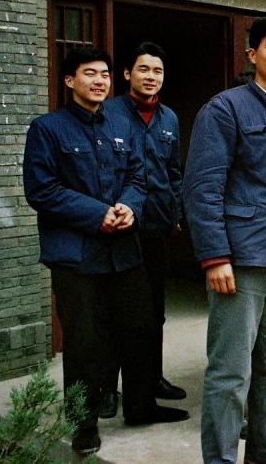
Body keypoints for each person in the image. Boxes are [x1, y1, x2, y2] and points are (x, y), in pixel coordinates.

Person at [23, 47, 188, 456]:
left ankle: (140, 405)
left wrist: (129, 206)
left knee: (139, 327)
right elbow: (42, 190)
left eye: (104, 75)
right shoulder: (47, 128)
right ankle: (84, 421)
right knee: (84, 341)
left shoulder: (118, 125)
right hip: (77, 254)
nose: (99, 81)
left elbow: (136, 175)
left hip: (122, 249)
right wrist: (99, 214)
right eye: (89, 74)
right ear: (69, 81)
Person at [184, 17, 266, 464]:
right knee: (230, 372)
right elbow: (202, 188)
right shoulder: (225, 109)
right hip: (241, 259)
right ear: (252, 55)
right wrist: (214, 256)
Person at [102, 42, 187, 417]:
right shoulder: (107, 114)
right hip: (119, 228)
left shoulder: (169, 118)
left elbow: (174, 173)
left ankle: (152, 378)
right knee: (117, 311)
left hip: (157, 227)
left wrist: (177, 212)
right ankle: (107, 387)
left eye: (158, 71)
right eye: (144, 70)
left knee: (155, 311)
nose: (151, 77)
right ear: (126, 74)